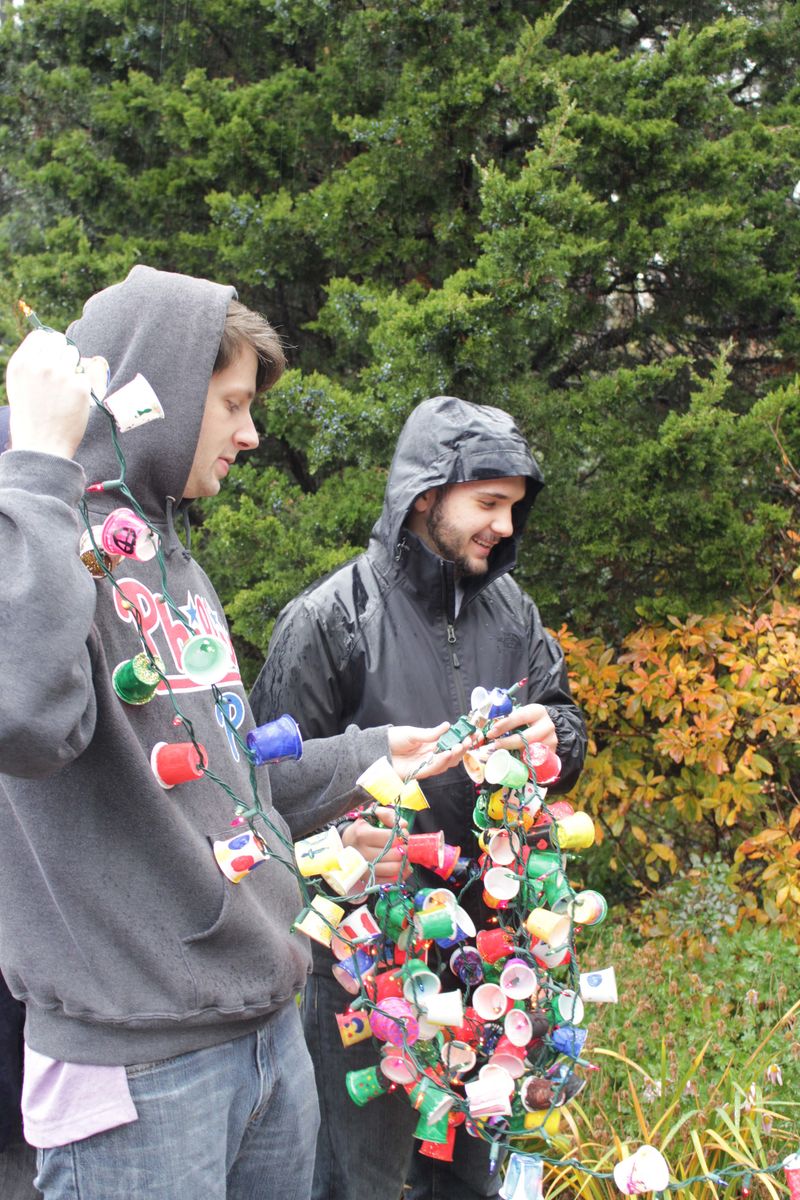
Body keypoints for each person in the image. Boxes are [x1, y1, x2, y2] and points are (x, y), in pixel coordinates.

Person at [0, 267, 460, 1200]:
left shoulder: (171, 563)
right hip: (134, 1067)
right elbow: (23, 716)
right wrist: (40, 465)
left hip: (262, 1033)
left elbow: (221, 775)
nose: (252, 433)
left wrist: (376, 755)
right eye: (233, 404)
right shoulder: (36, 542)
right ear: (160, 391)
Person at [250, 395, 589, 1200]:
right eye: (489, 505)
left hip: (491, 956)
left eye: (513, 508)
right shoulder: (331, 621)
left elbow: (566, 725)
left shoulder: (514, 614)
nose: (505, 528)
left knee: (470, 1173)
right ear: (428, 496)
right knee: (354, 1177)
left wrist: (557, 737)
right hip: (362, 967)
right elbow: (259, 795)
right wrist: (351, 834)